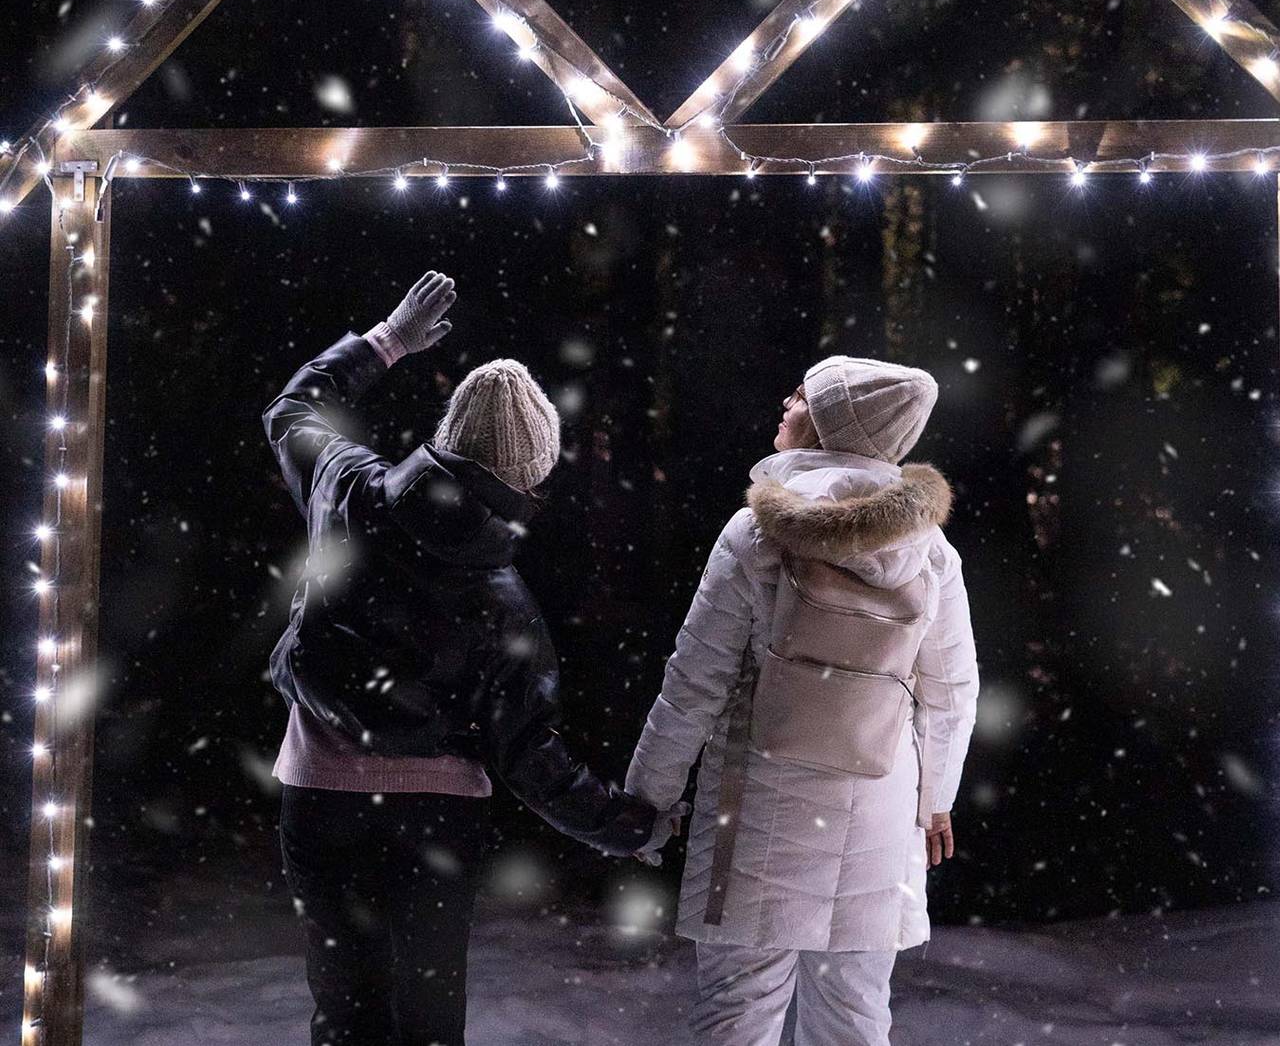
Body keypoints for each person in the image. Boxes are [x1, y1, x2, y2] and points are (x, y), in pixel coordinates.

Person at [264, 271, 671, 1046]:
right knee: (426, 1025)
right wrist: (625, 826)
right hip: (433, 823)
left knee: (344, 1012)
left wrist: (388, 339)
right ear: (526, 480)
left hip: (318, 798)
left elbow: (290, 411)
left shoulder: (346, 486)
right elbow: (530, 757)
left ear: (450, 435)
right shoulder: (505, 605)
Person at [627, 356, 978, 1045]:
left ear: (830, 422)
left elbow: (693, 681)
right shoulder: (931, 550)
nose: (784, 404)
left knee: (737, 1014)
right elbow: (951, 691)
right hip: (882, 809)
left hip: (756, 808)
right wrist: (934, 797)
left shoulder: (755, 534)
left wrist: (650, 795)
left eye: (800, 396)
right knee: (853, 1018)